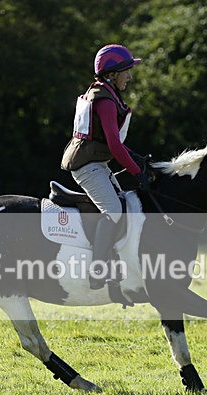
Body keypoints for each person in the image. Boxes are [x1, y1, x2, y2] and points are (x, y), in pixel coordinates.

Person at [61, 44, 149, 290]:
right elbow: (115, 146)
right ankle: (97, 270)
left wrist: (139, 160)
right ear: (112, 74)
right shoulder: (105, 101)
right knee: (114, 211)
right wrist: (137, 172)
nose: (130, 77)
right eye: (126, 72)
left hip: (96, 163)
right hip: (88, 167)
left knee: (124, 207)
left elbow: (116, 145)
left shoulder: (107, 93)